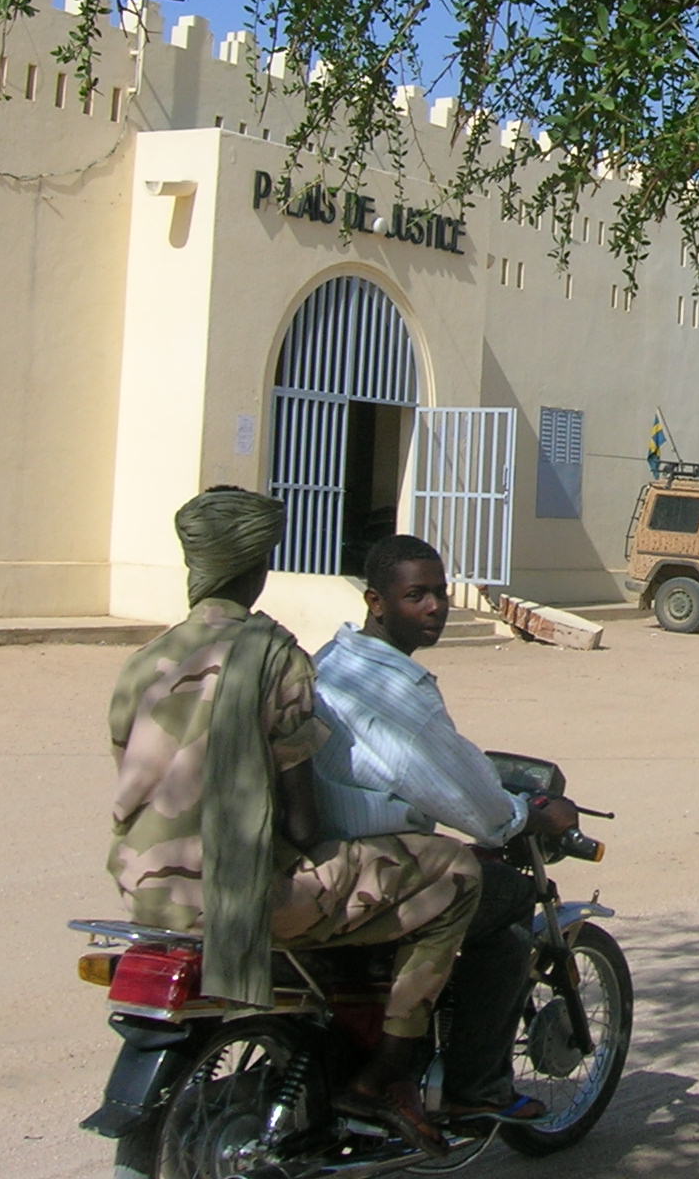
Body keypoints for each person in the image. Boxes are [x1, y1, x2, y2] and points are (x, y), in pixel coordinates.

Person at [107, 487, 482, 1152]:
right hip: (245, 897)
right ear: (257, 567)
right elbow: (306, 824)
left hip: (147, 894)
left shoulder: (144, 661)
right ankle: (388, 1075)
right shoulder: (274, 656)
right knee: (456, 872)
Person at [312, 534, 583, 1130]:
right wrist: (529, 816)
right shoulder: (399, 692)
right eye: (417, 595)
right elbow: (465, 797)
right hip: (365, 862)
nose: (436, 606)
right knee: (509, 899)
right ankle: (473, 1085)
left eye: (440, 592)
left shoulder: (332, 660)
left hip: (315, 854)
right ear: (376, 601)